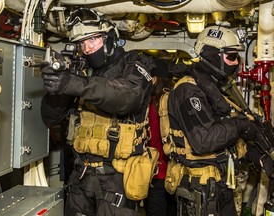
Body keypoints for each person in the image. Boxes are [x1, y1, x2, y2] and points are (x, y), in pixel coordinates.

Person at [40, 7, 187, 216]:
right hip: (81, 176)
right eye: (82, 43)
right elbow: (49, 117)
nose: (87, 48)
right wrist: (62, 85)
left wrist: (76, 84)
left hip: (117, 178)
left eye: (93, 40)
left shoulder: (133, 63)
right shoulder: (82, 72)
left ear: (109, 37)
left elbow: (128, 97)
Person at [162, 25, 274, 216]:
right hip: (199, 189)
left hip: (220, 185)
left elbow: (225, 140)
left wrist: (259, 157)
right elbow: (203, 141)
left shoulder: (214, 90)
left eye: (237, 56)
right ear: (212, 54)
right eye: (231, 56)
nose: (236, 62)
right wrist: (240, 125)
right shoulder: (188, 91)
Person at [144, 77, 177, 216]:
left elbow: (149, 139)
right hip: (175, 172)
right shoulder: (176, 105)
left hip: (156, 172)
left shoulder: (151, 106)